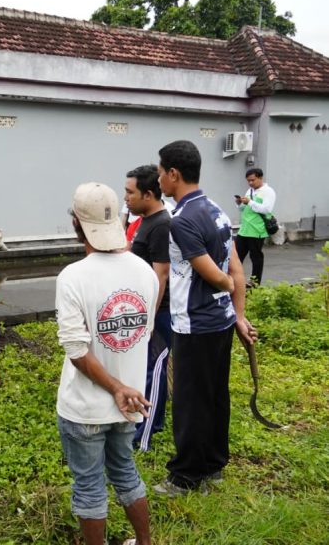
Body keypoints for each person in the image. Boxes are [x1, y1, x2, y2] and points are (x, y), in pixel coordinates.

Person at [56, 182, 157, 545]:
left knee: (89, 484)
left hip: (87, 406)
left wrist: (114, 388)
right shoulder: (144, 271)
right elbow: (142, 332)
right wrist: (124, 388)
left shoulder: (73, 277)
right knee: (125, 471)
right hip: (130, 403)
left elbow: (77, 349)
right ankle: (144, 542)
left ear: (76, 225)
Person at [154, 140, 256, 497]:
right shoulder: (215, 210)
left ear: (173, 174)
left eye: (160, 171)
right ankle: (213, 464)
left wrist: (226, 288)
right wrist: (238, 313)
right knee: (214, 394)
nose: (158, 178)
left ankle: (185, 476)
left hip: (194, 323)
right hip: (220, 321)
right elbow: (237, 268)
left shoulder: (181, 220)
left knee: (189, 399)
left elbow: (218, 274)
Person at [124, 165, 172, 451]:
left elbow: (161, 275)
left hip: (160, 313)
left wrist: (150, 319)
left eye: (131, 192)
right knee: (150, 369)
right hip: (146, 310)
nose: (126, 198)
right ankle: (155, 420)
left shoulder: (162, 224)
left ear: (149, 194)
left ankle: (145, 432)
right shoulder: (146, 220)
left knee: (153, 371)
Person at [235, 167, 277, 285]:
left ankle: (255, 282)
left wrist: (250, 202)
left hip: (257, 229)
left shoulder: (268, 191)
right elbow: (245, 209)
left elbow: (266, 209)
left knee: (256, 257)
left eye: (252, 180)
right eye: (248, 181)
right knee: (237, 257)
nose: (250, 183)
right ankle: (234, 279)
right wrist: (239, 204)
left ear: (260, 178)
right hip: (244, 229)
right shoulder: (250, 191)